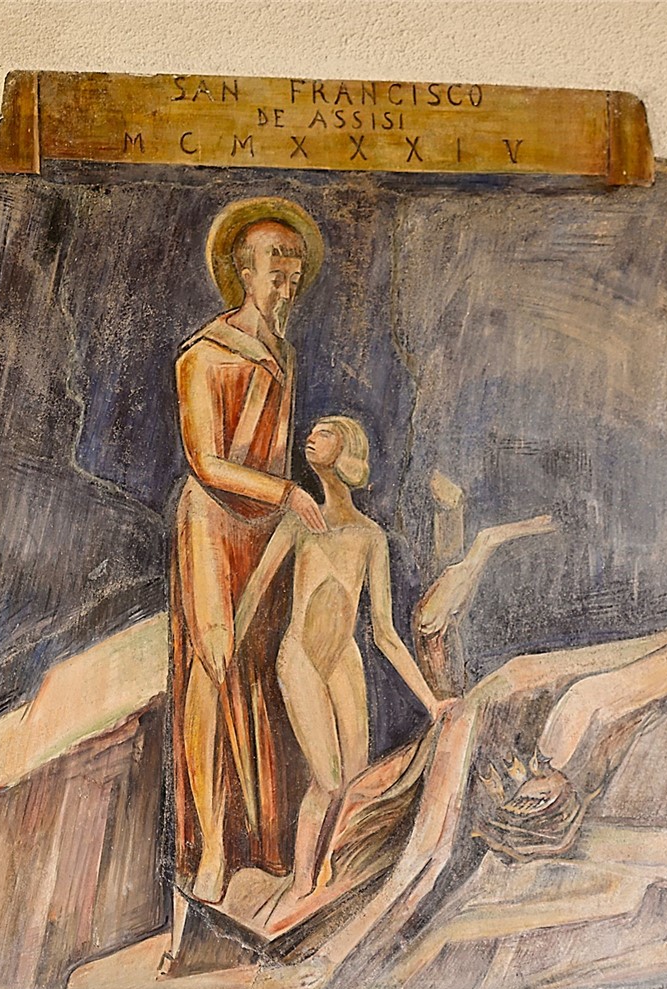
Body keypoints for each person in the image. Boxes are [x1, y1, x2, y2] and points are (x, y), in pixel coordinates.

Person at [168, 198, 327, 943]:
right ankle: (209, 849)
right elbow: (207, 461)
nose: (285, 279)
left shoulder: (283, 356)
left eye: (294, 267)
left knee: (260, 670)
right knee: (214, 663)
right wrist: (288, 491)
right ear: (242, 270)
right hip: (212, 526)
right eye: (274, 264)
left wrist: (287, 505)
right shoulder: (203, 354)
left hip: (266, 529)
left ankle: (261, 839)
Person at [233, 416, 446, 903]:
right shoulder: (298, 523)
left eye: (325, 432)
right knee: (327, 781)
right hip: (301, 660)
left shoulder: (371, 537)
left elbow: (386, 634)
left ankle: (328, 873)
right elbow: (255, 593)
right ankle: (301, 885)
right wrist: (230, 656)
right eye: (312, 432)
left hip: (344, 660)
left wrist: (432, 703)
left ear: (347, 448)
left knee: (355, 778)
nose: (311, 437)